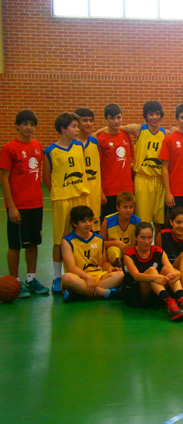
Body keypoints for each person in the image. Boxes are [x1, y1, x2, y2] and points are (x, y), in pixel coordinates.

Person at [0, 110, 49, 297]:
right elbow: (4, 179)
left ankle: (31, 279)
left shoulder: (37, 145)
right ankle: (14, 281)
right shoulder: (9, 148)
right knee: (15, 245)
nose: (29, 127)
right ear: (17, 125)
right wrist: (11, 206)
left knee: (33, 243)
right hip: (18, 205)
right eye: (25, 124)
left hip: (36, 203)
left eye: (32, 124)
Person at [43, 112, 90, 293]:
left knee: (80, 237)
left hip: (81, 196)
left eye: (77, 126)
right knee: (59, 239)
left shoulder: (79, 146)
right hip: (62, 199)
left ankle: (77, 272)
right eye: (73, 126)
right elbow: (46, 176)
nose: (77, 130)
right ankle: (57, 277)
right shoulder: (50, 151)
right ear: (63, 129)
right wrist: (58, 192)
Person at [122, 222, 183, 320]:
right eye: (143, 238)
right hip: (139, 294)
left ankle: (181, 299)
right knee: (152, 270)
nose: (147, 241)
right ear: (136, 238)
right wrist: (155, 277)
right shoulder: (129, 255)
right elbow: (136, 275)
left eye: (149, 237)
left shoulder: (158, 251)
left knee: (168, 269)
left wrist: (178, 273)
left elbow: (169, 267)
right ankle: (169, 302)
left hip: (157, 292)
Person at [120, 101, 166, 233]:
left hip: (159, 180)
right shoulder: (138, 129)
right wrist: (96, 134)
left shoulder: (166, 133)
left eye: (157, 114)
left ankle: (157, 251)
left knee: (159, 222)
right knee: (142, 222)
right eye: (151, 114)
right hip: (143, 179)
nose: (154, 117)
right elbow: (115, 128)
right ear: (146, 116)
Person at [60, 205, 123, 301]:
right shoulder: (67, 241)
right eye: (83, 221)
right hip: (79, 277)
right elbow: (71, 268)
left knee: (120, 275)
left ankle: (80, 294)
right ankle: (103, 293)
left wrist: (110, 268)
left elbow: (103, 262)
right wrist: (87, 277)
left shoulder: (98, 239)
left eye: (90, 220)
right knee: (67, 278)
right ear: (74, 223)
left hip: (98, 275)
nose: (88, 224)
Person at [155, 207, 183, 312]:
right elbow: (158, 258)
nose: (182, 226)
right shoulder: (163, 235)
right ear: (171, 222)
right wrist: (177, 272)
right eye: (178, 222)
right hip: (169, 274)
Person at [96, 103, 133, 220]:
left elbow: (131, 160)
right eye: (112, 118)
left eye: (119, 117)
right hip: (109, 191)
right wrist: (101, 192)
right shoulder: (100, 139)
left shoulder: (126, 136)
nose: (116, 121)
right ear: (106, 119)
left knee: (126, 223)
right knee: (108, 224)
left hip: (127, 189)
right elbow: (96, 168)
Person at [75, 107, 102, 232]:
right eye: (84, 120)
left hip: (94, 192)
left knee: (94, 228)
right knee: (78, 228)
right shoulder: (72, 143)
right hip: (78, 192)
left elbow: (98, 167)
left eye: (91, 121)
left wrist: (101, 191)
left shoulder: (95, 141)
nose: (89, 124)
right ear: (77, 123)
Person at [100, 191, 141, 268]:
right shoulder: (108, 220)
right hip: (114, 251)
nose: (128, 210)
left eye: (131, 207)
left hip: (131, 252)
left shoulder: (137, 221)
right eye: (125, 207)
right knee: (114, 251)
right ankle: (117, 269)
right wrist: (117, 243)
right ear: (118, 207)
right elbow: (100, 243)